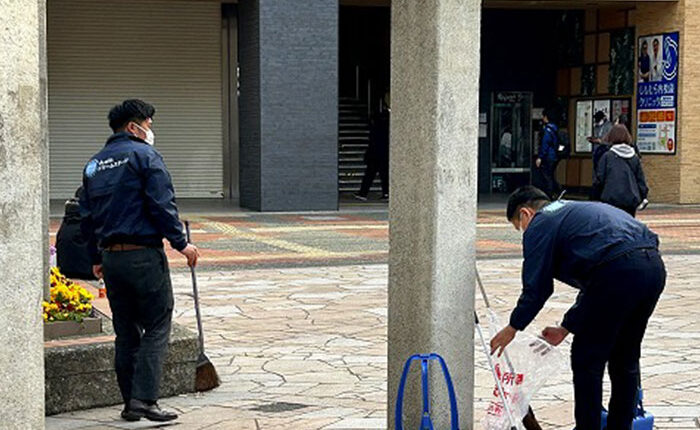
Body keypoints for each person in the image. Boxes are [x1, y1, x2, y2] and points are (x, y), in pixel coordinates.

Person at [490, 186, 665, 430]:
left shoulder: (541, 222)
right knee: (625, 357)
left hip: (617, 271)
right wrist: (565, 327)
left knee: (587, 358)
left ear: (525, 214)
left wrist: (513, 327)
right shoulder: (572, 210)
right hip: (652, 267)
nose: (524, 234)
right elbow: (597, 283)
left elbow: (537, 288)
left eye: (519, 228)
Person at [79, 99, 200, 422]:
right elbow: (162, 205)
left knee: (126, 332)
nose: (150, 129)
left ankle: (129, 404)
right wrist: (181, 243)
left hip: (111, 261)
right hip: (144, 257)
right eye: (148, 124)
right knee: (158, 325)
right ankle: (144, 400)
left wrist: (95, 258)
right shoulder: (144, 155)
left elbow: (86, 218)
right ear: (133, 127)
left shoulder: (93, 165)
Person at [592, 124, 648, 217]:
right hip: (630, 201)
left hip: (610, 200)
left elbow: (599, 180)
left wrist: (595, 198)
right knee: (628, 225)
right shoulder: (634, 157)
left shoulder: (607, 157)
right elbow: (640, 180)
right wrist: (643, 196)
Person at [354, 92, 390, 201]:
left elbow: (372, 141)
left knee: (370, 174)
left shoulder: (376, 127)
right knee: (384, 174)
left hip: (375, 153)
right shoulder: (386, 125)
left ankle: (363, 193)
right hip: (384, 153)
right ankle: (386, 193)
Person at [535, 109, 559, 198]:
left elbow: (545, 144)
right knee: (551, 175)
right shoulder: (554, 129)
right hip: (553, 155)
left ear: (546, 117)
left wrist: (540, 157)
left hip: (548, 156)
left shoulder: (547, 130)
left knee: (546, 176)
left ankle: (549, 194)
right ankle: (556, 191)